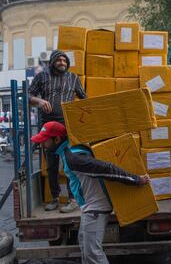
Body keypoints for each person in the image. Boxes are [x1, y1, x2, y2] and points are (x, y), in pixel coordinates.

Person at [31, 121, 150, 264]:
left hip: (95, 208)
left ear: (56, 139)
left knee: (92, 254)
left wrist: (136, 180)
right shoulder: (68, 151)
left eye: (44, 141)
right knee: (85, 248)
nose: (42, 145)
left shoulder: (74, 157)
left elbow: (106, 169)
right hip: (90, 207)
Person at [29, 50, 86, 213]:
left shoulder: (74, 78)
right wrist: (39, 101)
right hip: (47, 126)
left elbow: (84, 99)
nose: (62, 63)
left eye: (64, 60)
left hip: (68, 126)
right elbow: (29, 95)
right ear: (52, 61)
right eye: (59, 60)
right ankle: (54, 198)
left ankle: (73, 199)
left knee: (70, 162)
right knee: (52, 164)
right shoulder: (42, 76)